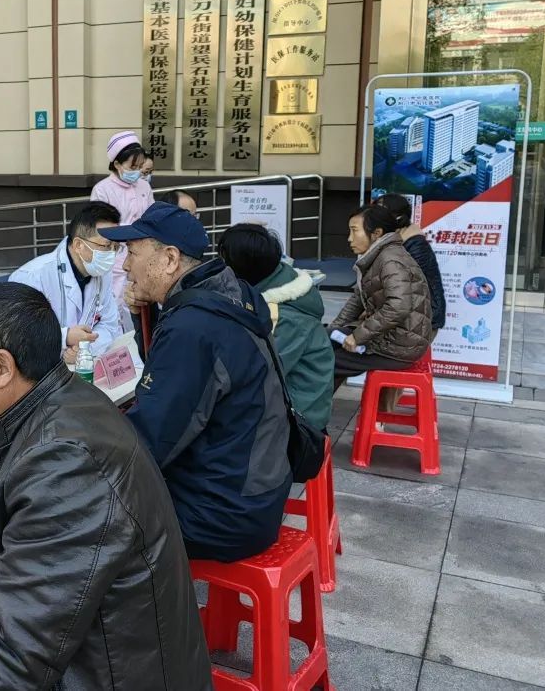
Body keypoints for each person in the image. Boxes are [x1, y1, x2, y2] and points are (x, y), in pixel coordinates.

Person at [0, 283, 211, 691]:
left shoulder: (64, 465)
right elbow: (13, 567)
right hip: (82, 649)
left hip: (100, 674)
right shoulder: (61, 402)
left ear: (1, 368)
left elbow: (15, 664)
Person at [101, 203, 292, 562]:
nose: (125, 265)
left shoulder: (192, 327)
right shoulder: (230, 292)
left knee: (86, 517)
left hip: (223, 515)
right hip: (257, 491)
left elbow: (152, 439)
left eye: (133, 252)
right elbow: (175, 377)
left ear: (169, 259)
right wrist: (145, 311)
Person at [218, 223, 334, 432]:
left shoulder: (283, 316)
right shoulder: (278, 277)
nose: (221, 267)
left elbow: (258, 373)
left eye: (225, 261)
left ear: (243, 268)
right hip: (286, 400)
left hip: (299, 420)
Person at [328, 205, 432, 392]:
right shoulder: (378, 256)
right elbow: (357, 300)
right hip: (390, 338)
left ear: (376, 233)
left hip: (399, 347)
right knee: (324, 342)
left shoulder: (390, 260)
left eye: (354, 231)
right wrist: (334, 328)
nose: (350, 238)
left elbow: (398, 306)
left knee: (325, 361)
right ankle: (312, 407)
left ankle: (308, 410)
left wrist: (358, 336)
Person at [8, 201, 122, 362]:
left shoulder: (102, 273)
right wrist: (64, 337)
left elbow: (109, 325)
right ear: (78, 245)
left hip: (81, 365)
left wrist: (84, 350)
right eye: (106, 246)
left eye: (116, 247)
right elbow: (16, 333)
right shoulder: (32, 276)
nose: (111, 254)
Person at [90, 131, 154, 330]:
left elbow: (151, 216)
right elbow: (99, 226)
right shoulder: (103, 189)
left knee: (140, 301)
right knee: (114, 303)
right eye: (132, 167)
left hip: (142, 255)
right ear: (117, 164)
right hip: (115, 258)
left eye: (139, 166)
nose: (137, 171)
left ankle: (141, 340)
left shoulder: (144, 187)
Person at [374, 192, 446, 334]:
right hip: (402, 316)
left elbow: (409, 286)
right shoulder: (389, 241)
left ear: (398, 217)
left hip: (421, 318)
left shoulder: (415, 244)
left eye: (380, 212)